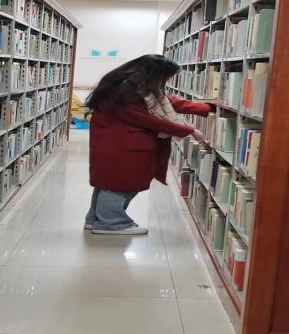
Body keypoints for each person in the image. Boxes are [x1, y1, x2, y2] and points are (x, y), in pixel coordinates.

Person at [84, 54, 211, 235]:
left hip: (116, 145)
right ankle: (110, 223)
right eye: (164, 77)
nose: (164, 82)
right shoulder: (126, 94)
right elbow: (149, 120)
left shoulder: (129, 87)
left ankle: (95, 219)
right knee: (119, 185)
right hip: (122, 148)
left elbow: (166, 101)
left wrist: (206, 108)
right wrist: (189, 130)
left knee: (108, 183)